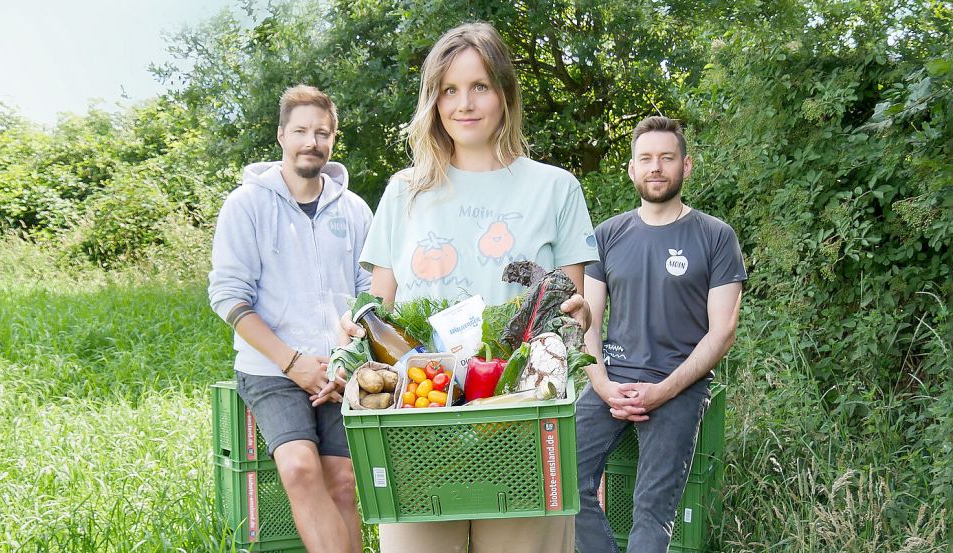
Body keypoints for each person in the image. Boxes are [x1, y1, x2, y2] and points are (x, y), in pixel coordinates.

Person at [342, 22, 598, 553]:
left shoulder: (555, 188)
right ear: (433, 102)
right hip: (419, 424)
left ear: (504, 94)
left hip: (520, 423)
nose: (465, 103)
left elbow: (567, 313)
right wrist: (353, 330)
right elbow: (378, 312)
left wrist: (578, 318)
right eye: (449, 90)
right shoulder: (404, 192)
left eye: (480, 86)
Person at [207, 85, 371, 553]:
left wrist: (345, 360)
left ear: (333, 141)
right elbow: (228, 297)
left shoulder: (355, 209)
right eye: (300, 131)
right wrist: (292, 362)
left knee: (342, 481)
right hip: (271, 367)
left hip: (340, 369)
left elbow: (369, 296)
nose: (311, 142)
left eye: (322, 133)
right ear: (281, 135)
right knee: (300, 468)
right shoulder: (246, 204)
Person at [574, 116, 747, 553]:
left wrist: (663, 391)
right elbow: (587, 320)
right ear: (632, 169)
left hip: (679, 383)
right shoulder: (608, 235)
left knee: (651, 510)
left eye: (666, 158)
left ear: (685, 166)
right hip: (611, 379)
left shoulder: (715, 236)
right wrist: (603, 385)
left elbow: (723, 331)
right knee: (558, 479)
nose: (656, 167)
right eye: (646, 159)